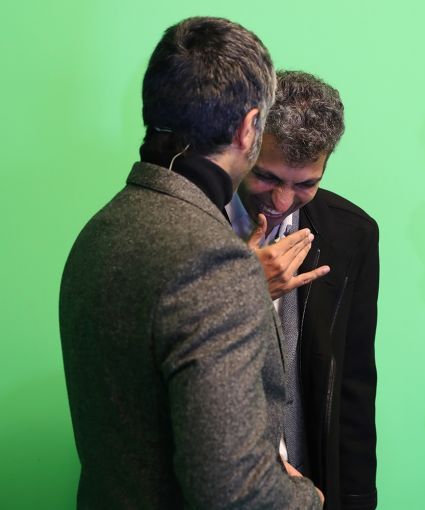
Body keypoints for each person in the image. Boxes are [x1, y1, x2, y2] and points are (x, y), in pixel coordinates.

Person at [59, 17, 322, 509]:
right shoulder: (217, 262)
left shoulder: (98, 231)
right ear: (249, 127)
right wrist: (307, 499)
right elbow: (233, 492)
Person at [227, 70, 379, 510]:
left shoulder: (353, 234)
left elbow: (353, 385)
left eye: (305, 184)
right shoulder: (191, 224)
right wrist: (245, 289)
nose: (282, 202)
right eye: (268, 177)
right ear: (245, 143)